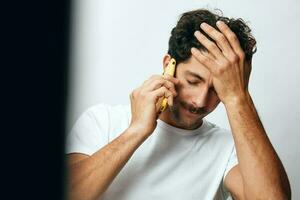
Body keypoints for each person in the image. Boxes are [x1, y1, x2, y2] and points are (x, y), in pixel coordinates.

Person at [66, 9, 291, 200]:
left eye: (217, 89)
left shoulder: (229, 149)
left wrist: (237, 97)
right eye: (193, 81)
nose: (200, 100)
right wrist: (135, 132)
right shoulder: (103, 120)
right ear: (168, 65)